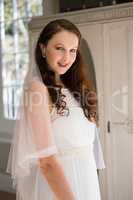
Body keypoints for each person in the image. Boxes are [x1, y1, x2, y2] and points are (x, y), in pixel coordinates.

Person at [7, 19, 105, 200]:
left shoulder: (76, 89)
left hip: (86, 178)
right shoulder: (37, 89)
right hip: (59, 188)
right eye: (59, 48)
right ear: (43, 49)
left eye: (72, 50)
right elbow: (47, 162)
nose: (67, 58)